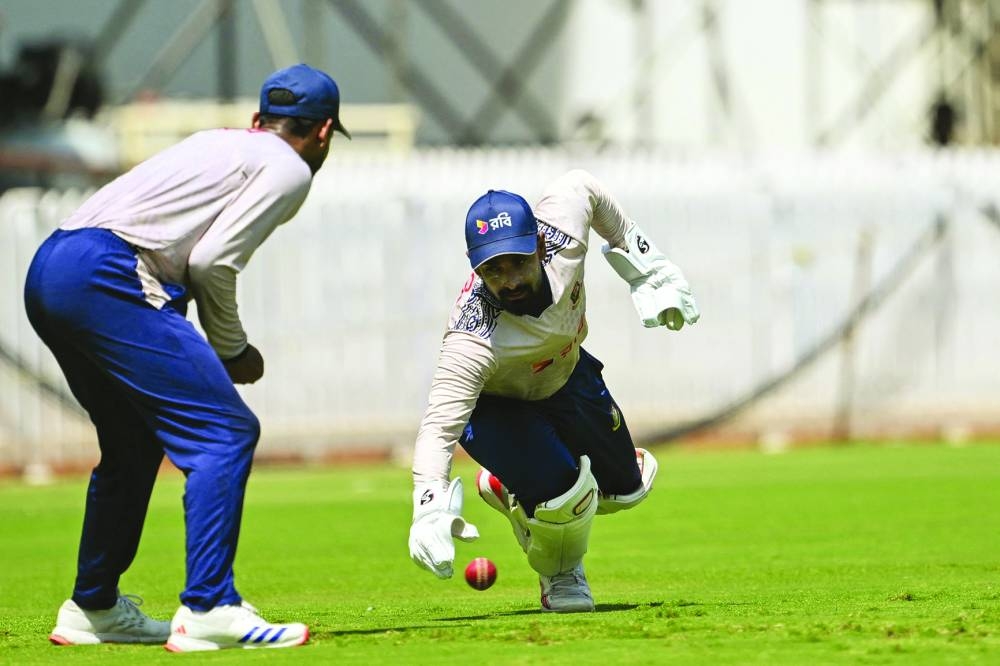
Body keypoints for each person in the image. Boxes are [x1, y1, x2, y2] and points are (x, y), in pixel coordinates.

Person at [24, 63, 350, 651]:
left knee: (132, 443)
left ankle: (92, 606)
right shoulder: (291, 167)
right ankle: (210, 606)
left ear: (258, 119)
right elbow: (212, 262)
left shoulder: (218, 142)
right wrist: (232, 350)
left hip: (52, 266)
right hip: (107, 272)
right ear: (323, 132)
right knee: (225, 431)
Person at [407, 170, 700, 611]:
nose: (508, 281)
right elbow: (437, 429)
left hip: (565, 377)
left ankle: (509, 487)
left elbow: (585, 185)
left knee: (626, 488)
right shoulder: (472, 336)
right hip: (496, 409)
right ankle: (561, 575)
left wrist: (649, 268)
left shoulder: (563, 234)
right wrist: (428, 505)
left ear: (541, 246)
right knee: (565, 493)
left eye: (518, 262)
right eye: (492, 269)